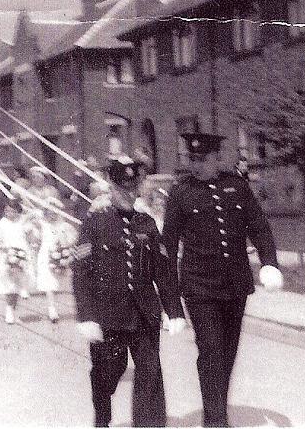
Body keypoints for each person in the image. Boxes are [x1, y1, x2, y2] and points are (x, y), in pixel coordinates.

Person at [162, 133, 283, 428]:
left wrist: (269, 263)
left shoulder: (238, 188)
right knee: (211, 350)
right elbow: (167, 247)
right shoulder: (181, 193)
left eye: (202, 160)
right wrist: (172, 304)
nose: (196, 165)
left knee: (227, 352)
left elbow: (260, 228)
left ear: (217, 158)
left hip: (235, 285)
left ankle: (217, 410)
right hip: (199, 287)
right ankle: (215, 421)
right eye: (192, 159)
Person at [73, 156, 186, 427]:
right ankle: (102, 419)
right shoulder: (95, 222)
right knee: (108, 370)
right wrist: (86, 315)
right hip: (107, 314)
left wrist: (174, 311)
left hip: (144, 313)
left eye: (133, 189)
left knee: (149, 373)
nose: (129, 195)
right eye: (123, 189)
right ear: (111, 187)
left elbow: (162, 270)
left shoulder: (146, 223)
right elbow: (81, 272)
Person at [33, 197, 77, 322]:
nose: (52, 215)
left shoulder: (64, 225)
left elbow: (72, 238)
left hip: (60, 255)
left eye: (54, 212)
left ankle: (69, 307)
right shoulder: (42, 224)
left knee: (60, 283)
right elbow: (32, 223)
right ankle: (52, 309)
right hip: (46, 255)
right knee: (49, 282)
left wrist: (65, 247)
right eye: (49, 212)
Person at [0, 198, 34, 324]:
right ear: (4, 211)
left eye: (14, 211)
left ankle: (12, 310)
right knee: (9, 286)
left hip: (21, 256)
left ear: (18, 211)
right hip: (7, 256)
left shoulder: (22, 224)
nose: (11, 213)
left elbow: (33, 217)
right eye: (8, 211)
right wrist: (8, 250)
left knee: (18, 285)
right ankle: (9, 311)